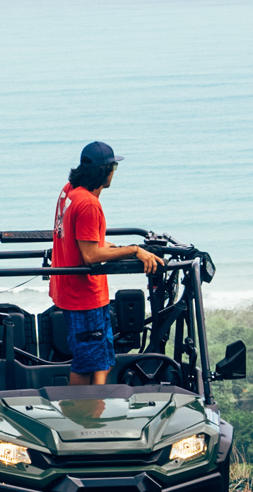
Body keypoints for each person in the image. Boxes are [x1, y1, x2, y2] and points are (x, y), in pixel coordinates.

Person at [50, 141, 164, 385]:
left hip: (71, 290)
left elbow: (76, 237)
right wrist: (135, 250)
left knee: (99, 360)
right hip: (84, 296)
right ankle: (84, 416)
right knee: (86, 363)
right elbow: (90, 256)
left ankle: (95, 411)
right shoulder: (89, 204)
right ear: (105, 172)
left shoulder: (69, 190)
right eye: (114, 167)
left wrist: (104, 244)